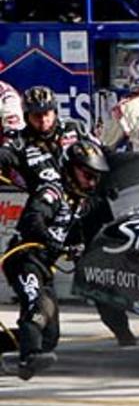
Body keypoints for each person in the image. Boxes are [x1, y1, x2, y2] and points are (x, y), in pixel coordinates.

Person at [1, 140, 108, 380]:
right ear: (70, 169)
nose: (92, 182)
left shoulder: (80, 201)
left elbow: (75, 232)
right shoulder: (52, 191)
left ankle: (22, 347)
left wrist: (77, 248)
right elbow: (33, 219)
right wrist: (50, 241)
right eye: (88, 175)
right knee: (36, 305)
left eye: (96, 177)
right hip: (24, 257)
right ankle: (28, 357)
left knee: (49, 336)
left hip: (44, 266)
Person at [0, 83, 90, 189]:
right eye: (37, 115)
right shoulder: (19, 142)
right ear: (27, 117)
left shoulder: (74, 128)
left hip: (82, 191)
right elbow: (4, 154)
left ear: (55, 112)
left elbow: (102, 151)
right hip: (47, 193)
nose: (43, 120)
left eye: (46, 114)